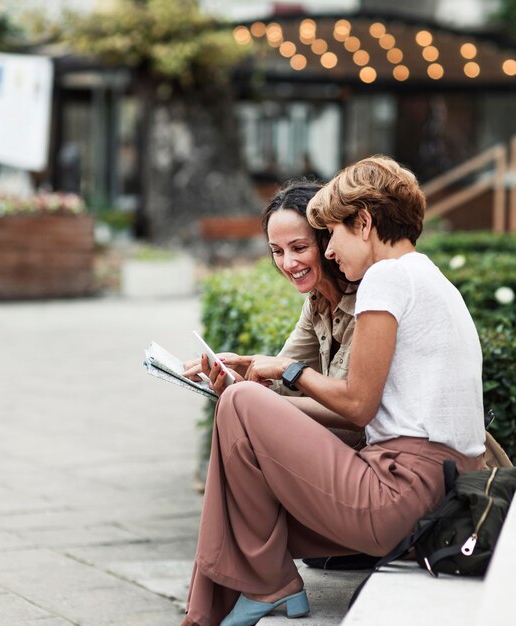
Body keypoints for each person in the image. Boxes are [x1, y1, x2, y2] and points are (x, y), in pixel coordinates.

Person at [181, 156, 486, 626]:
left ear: (363, 223)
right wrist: (270, 377)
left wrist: (288, 370)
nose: (327, 252)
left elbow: (358, 406)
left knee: (239, 402)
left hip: (401, 495)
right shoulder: (425, 275)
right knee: (243, 412)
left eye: (331, 234)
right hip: (437, 493)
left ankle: (258, 590)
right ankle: (262, 585)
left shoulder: (385, 277)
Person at [184, 179, 363, 449]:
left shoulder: (367, 303)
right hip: (334, 446)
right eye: (277, 251)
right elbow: (281, 381)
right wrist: (237, 376)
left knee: (246, 435)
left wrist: (253, 400)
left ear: (328, 239)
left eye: (299, 248)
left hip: (365, 455)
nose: (288, 263)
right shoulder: (316, 303)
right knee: (242, 430)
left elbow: (355, 412)